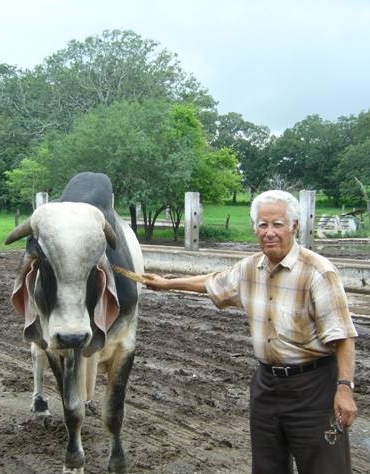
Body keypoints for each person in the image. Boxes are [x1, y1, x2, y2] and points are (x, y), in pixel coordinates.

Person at [142, 190, 358, 474]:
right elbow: (212, 282)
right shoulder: (250, 268)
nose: (269, 232)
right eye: (262, 225)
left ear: (294, 226)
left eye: (277, 224)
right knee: (267, 466)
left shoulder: (318, 272)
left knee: (324, 468)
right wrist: (167, 284)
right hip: (267, 385)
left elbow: (343, 336)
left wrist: (344, 389)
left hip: (313, 389)